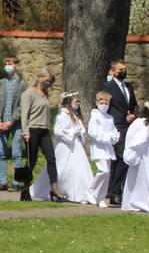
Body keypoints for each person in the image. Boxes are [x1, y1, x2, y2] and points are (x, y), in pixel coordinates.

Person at [30, 92, 94, 203]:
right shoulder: (61, 116)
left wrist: (78, 133)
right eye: (75, 102)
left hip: (76, 146)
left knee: (79, 169)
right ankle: (58, 190)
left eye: (78, 102)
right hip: (65, 146)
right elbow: (58, 131)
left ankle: (81, 193)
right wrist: (72, 132)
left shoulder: (74, 116)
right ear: (68, 103)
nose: (77, 104)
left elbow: (79, 129)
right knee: (63, 168)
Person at [21, 68, 66, 201]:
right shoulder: (29, 93)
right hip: (32, 129)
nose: (48, 83)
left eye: (50, 81)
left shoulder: (45, 94)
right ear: (39, 77)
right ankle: (25, 189)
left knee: (51, 158)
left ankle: (54, 188)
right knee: (31, 160)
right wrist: (25, 131)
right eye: (47, 80)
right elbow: (25, 114)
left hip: (44, 129)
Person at [102, 59, 138, 206]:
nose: (123, 72)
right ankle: (115, 191)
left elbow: (134, 104)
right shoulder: (107, 87)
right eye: (120, 70)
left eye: (124, 69)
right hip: (115, 126)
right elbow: (104, 106)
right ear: (113, 71)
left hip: (129, 126)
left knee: (119, 160)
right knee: (123, 157)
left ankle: (113, 189)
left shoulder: (128, 87)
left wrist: (134, 115)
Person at [86, 91, 120, 208]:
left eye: (106, 103)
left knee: (107, 174)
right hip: (99, 147)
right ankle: (91, 190)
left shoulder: (109, 118)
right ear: (97, 103)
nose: (104, 105)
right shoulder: (94, 117)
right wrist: (109, 136)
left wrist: (115, 136)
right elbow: (95, 134)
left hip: (108, 148)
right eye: (102, 102)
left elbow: (113, 132)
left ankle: (101, 198)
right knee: (103, 171)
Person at [0, 55, 28, 192]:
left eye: (9, 63)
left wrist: (11, 121)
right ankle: (2, 181)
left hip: (16, 124)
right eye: (6, 63)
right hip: (1, 124)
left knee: (17, 153)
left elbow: (22, 105)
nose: (7, 66)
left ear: (16, 66)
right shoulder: (2, 82)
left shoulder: (22, 84)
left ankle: (17, 182)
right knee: (1, 153)